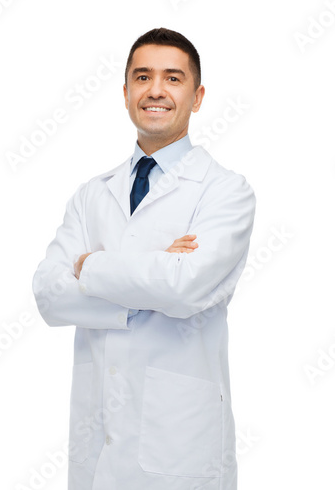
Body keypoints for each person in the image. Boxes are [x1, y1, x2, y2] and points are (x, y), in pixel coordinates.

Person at [33, 27, 256, 490]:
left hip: (180, 443)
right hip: (96, 448)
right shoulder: (91, 194)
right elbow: (49, 297)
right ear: (126, 92)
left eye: (173, 79)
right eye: (142, 77)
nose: (156, 90)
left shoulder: (225, 191)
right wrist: (154, 271)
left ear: (196, 97)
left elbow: (185, 286)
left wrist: (90, 265)